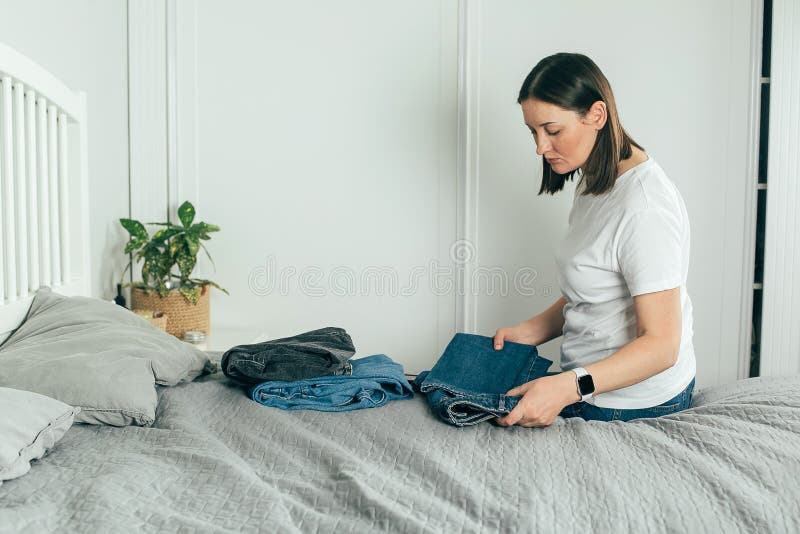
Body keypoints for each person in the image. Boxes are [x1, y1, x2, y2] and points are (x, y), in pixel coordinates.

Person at [494, 53, 696, 427]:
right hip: (586, 382)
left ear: (597, 116)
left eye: (552, 131)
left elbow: (662, 346)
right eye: (533, 132)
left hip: (635, 401)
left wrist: (567, 387)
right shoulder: (595, 179)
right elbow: (596, 285)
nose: (540, 147)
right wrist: (532, 330)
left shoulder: (644, 209)